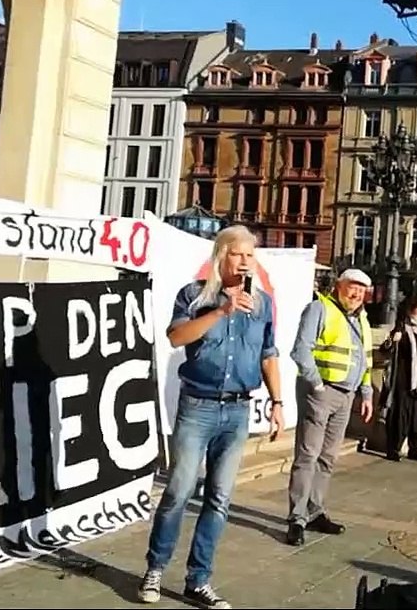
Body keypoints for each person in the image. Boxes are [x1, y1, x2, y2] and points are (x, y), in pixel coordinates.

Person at [139, 226, 282, 610]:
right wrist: (222, 310)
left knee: (219, 499)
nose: (246, 262)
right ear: (222, 256)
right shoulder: (194, 294)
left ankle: (198, 580)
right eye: (238, 254)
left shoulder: (264, 304)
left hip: (237, 410)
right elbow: (176, 337)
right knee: (177, 492)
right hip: (198, 407)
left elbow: (269, 353)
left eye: (251, 255)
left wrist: (278, 402)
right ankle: (155, 569)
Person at [285, 268, 375, 546]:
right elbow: (301, 349)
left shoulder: (362, 320)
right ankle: (296, 518)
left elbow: (365, 359)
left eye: (362, 290)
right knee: (308, 455)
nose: (357, 293)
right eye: (353, 287)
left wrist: (367, 393)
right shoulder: (319, 308)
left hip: (346, 395)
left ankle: (315, 511)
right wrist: (317, 384)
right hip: (320, 391)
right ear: (339, 286)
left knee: (328, 457)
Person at [379, 298, 417, 463]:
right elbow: (385, 349)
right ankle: (394, 449)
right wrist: (393, 340)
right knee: (399, 417)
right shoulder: (401, 329)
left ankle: (415, 448)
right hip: (403, 381)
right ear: (410, 313)